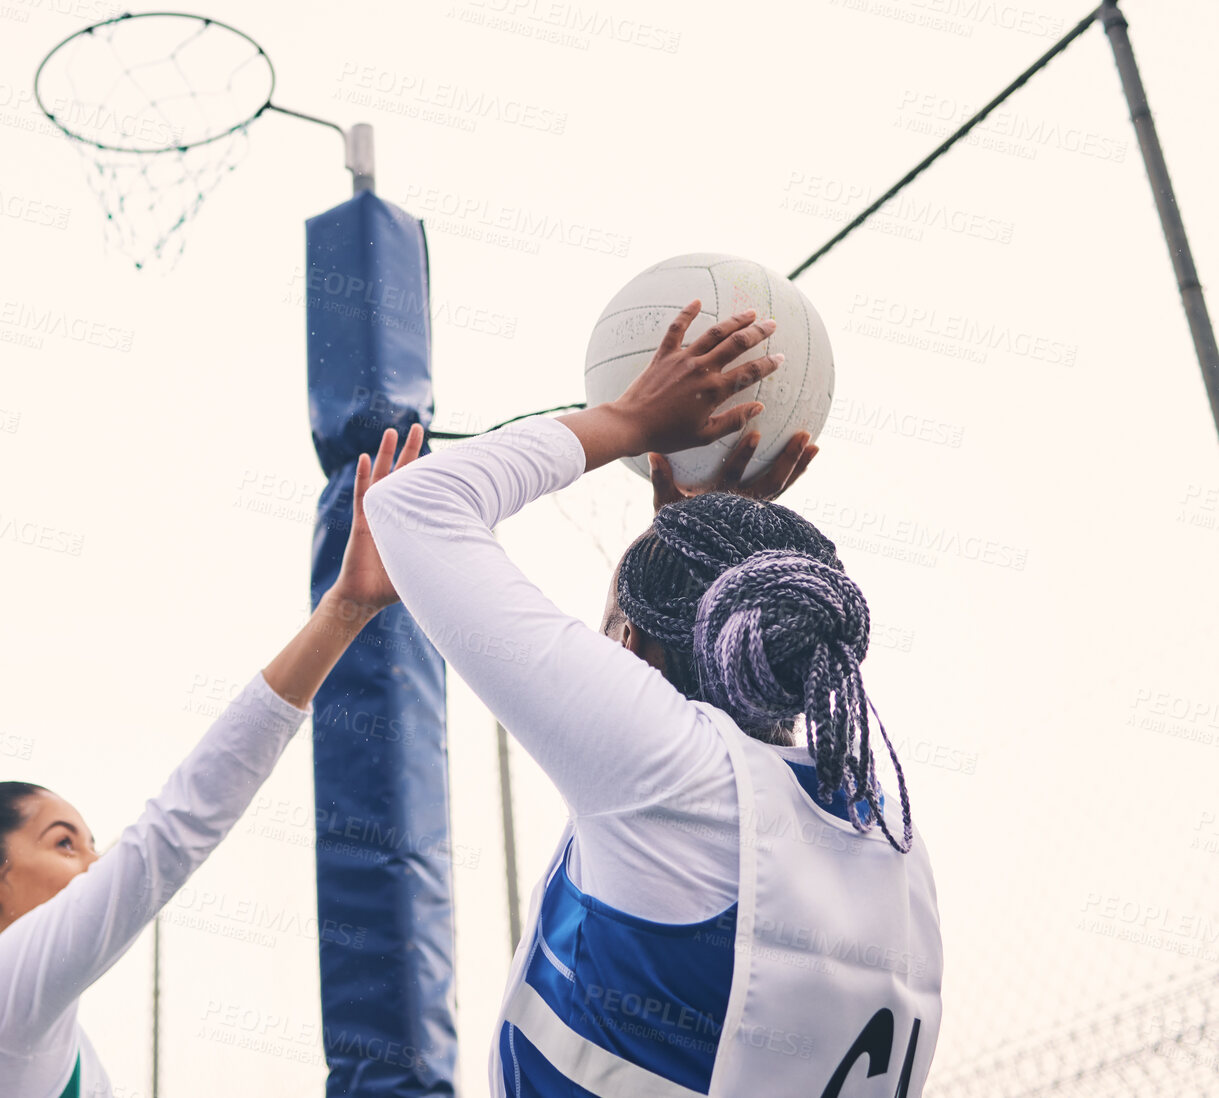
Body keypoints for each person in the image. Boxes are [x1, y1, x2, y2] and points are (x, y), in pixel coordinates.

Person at [364, 300, 942, 1097]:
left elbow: (412, 505)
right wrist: (698, 544)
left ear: (631, 651)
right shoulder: (874, 819)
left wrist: (627, 420)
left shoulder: (665, 777)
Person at [0, 426, 426, 1098]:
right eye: (63, 843)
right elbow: (176, 826)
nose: (96, 864)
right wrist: (343, 611)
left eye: (90, 844)